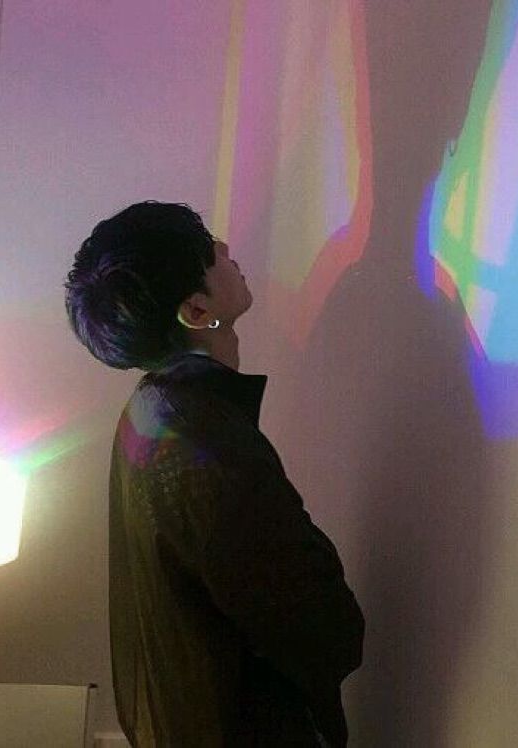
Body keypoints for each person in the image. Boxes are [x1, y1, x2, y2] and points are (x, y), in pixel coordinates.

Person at [64, 201, 365, 746]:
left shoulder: (152, 413)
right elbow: (324, 628)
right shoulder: (200, 440)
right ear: (198, 311)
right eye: (209, 251)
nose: (225, 248)